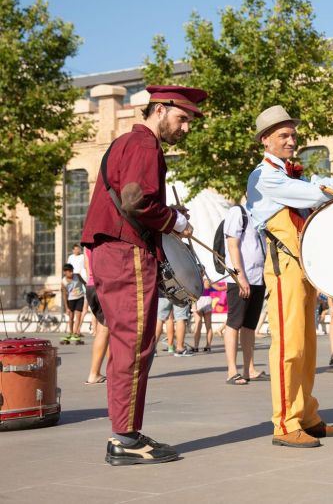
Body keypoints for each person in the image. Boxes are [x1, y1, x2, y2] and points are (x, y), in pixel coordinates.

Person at [80, 84, 206, 465]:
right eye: (182, 118)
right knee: (136, 345)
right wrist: (174, 221)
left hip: (113, 250)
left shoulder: (126, 143)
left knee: (128, 344)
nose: (185, 128)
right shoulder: (145, 146)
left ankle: (127, 431)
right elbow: (137, 200)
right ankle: (124, 439)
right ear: (160, 109)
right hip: (125, 251)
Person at [246, 104, 333, 448]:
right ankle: (285, 423)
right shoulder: (264, 176)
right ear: (266, 140)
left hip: (303, 263)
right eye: (283, 135)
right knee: (288, 345)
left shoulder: (288, 173)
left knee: (307, 344)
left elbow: (320, 185)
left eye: (293, 134)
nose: (291, 140)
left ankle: (307, 415)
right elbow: (311, 194)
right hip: (284, 264)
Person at [220, 200, 267, 384]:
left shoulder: (261, 213)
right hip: (240, 278)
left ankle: (249, 369)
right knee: (234, 322)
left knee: (249, 325)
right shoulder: (237, 212)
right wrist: (240, 276)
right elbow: (232, 245)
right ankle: (232, 371)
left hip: (258, 278)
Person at [83, 247, 110, 385]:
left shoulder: (86, 244)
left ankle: (112, 370)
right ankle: (94, 373)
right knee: (104, 331)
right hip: (103, 286)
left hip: (91, 286)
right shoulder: (103, 241)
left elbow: (87, 266)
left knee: (106, 329)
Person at [60, 263, 86, 345]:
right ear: (65, 272)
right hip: (71, 299)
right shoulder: (63, 282)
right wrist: (66, 307)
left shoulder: (77, 276)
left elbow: (84, 283)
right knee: (71, 317)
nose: (71, 273)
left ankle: (75, 333)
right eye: (69, 271)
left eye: (72, 271)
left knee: (78, 315)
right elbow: (64, 295)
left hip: (80, 297)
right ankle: (71, 332)